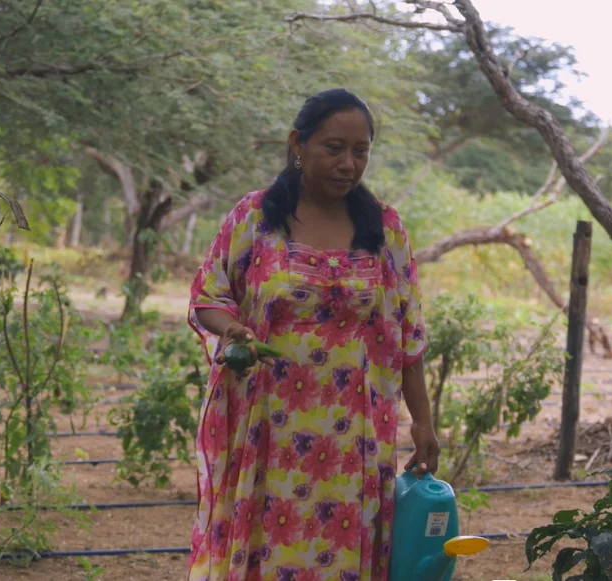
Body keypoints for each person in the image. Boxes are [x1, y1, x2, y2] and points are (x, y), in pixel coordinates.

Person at [187, 88, 440, 581]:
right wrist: (234, 329)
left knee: (342, 551)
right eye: (334, 147)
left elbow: (407, 332)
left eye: (360, 151)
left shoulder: (384, 228)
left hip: (354, 433)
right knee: (268, 544)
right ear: (297, 144)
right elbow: (209, 295)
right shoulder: (255, 218)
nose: (348, 163)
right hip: (269, 422)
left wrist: (424, 421)